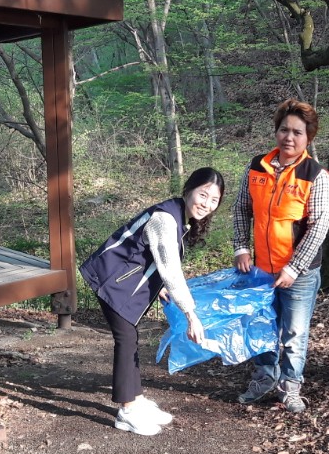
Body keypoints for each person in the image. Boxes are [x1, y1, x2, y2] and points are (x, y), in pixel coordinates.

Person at [80, 167, 226, 436]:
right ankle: (127, 410)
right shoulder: (165, 219)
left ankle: (135, 399)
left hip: (124, 281)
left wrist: (159, 288)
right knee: (126, 339)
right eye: (203, 195)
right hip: (111, 279)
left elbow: (152, 257)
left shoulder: (179, 217)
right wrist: (191, 315)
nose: (206, 204)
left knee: (130, 337)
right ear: (188, 190)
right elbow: (171, 270)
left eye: (214, 200)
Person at [232, 98, 329, 414]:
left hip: (299, 275)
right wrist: (241, 247)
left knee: (293, 334)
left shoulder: (316, 176)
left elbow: (318, 228)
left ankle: (290, 387)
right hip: (261, 269)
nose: (289, 137)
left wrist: (294, 267)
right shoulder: (256, 167)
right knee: (262, 328)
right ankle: (264, 378)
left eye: (297, 132)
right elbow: (241, 209)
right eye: (284, 130)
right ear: (276, 131)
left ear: (308, 137)